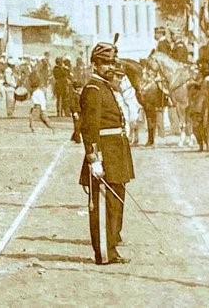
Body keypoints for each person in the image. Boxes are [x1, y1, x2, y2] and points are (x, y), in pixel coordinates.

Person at [77, 42, 133, 266]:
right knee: (103, 206)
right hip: (104, 154)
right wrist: (94, 158)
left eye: (112, 63)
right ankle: (104, 252)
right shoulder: (93, 89)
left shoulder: (107, 87)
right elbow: (89, 128)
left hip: (117, 152)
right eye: (105, 63)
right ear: (95, 65)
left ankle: (111, 247)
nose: (110, 67)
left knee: (116, 203)